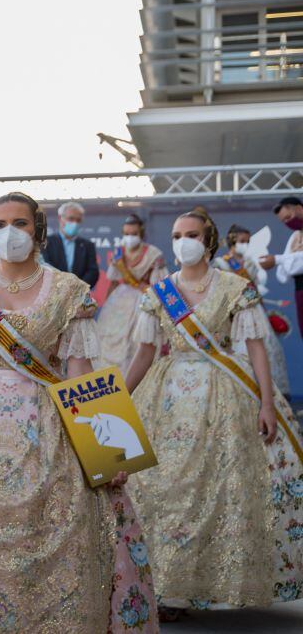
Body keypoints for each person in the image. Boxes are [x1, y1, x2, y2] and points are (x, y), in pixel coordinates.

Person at [0, 191, 156, 633]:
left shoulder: (69, 291)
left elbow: (81, 372)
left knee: (53, 534)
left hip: (48, 425)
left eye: (20, 224)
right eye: (0, 225)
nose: (10, 233)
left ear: (38, 230)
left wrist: (107, 453)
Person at [126, 208, 303, 618]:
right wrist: (116, 398)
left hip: (226, 395)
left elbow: (256, 347)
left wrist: (265, 403)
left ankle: (215, 584)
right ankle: (168, 590)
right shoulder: (159, 294)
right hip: (167, 399)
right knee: (164, 489)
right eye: (176, 234)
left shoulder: (234, 287)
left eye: (191, 234)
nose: (182, 241)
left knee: (222, 487)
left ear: (208, 242)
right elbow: (144, 355)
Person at [214, 224, 290, 395]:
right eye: (242, 241)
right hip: (232, 312)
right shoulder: (221, 263)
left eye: (248, 241)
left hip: (254, 310)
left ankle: (271, 392)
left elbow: (254, 288)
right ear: (232, 240)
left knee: (266, 347)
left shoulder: (250, 263)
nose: (245, 244)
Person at [94, 215, 167, 373]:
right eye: (126, 234)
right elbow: (113, 281)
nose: (129, 238)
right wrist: (107, 304)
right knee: (111, 338)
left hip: (145, 299)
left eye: (133, 234)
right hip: (120, 300)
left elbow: (159, 286)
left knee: (138, 340)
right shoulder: (119, 252)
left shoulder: (154, 254)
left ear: (141, 233)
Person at [259, 196, 303, 342]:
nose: (287, 222)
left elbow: (289, 262)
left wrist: (277, 260)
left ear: (299, 208)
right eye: (284, 221)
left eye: (288, 217)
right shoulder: (295, 236)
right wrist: (282, 261)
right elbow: (283, 274)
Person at [43, 201, 100, 287]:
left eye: (78, 220)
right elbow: (46, 267)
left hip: (79, 295)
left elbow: (93, 271)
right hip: (52, 293)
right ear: (60, 218)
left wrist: (77, 288)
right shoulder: (46, 243)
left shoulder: (88, 245)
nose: (75, 223)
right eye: (71, 219)